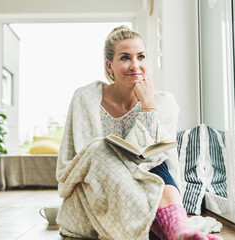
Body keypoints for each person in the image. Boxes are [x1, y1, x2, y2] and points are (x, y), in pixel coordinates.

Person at [56, 25, 222, 240]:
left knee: (156, 160)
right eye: (125, 58)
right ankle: (169, 228)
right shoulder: (85, 98)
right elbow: (80, 162)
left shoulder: (163, 103)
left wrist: (148, 106)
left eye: (141, 57)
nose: (135, 65)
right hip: (99, 192)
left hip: (150, 184)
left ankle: (178, 230)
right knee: (98, 149)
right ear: (110, 66)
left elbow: (165, 158)